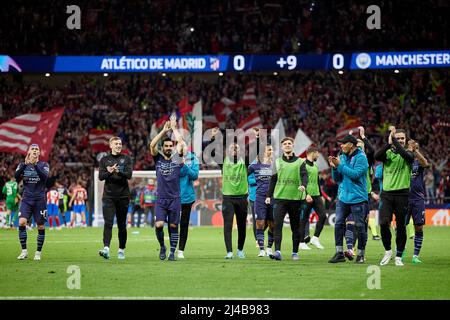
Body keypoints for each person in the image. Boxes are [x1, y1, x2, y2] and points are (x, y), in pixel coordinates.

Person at [210, 127, 259, 259]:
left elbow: (255, 151)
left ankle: (240, 250)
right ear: (227, 151)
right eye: (232, 148)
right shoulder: (223, 162)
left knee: (242, 225)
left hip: (242, 198)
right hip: (228, 198)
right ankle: (229, 252)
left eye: (237, 147)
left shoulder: (246, 162)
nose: (234, 149)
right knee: (228, 225)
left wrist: (258, 138)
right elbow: (213, 152)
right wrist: (214, 138)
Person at [375, 126, 414, 267]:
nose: (401, 141)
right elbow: (376, 156)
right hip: (387, 194)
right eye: (398, 138)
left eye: (402, 138)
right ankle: (388, 251)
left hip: (402, 194)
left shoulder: (410, 154)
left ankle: (399, 256)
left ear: (406, 140)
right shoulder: (388, 154)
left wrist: (393, 138)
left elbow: (406, 155)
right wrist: (389, 143)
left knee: (401, 226)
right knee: (384, 223)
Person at [150, 115, 186, 261]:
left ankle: (172, 252)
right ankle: (163, 247)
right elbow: (152, 145)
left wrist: (174, 129)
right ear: (163, 148)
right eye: (166, 146)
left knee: (173, 226)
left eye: (171, 146)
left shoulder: (177, 159)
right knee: (159, 225)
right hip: (161, 199)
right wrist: (164, 132)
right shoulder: (157, 159)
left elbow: (182, 144)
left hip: (175, 199)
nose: (169, 148)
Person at [266, 137, 308, 261]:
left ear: (293, 146)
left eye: (289, 143)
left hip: (295, 199)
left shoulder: (300, 162)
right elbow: (273, 180)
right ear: (282, 147)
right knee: (277, 225)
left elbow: (305, 176)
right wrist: (268, 195)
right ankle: (277, 251)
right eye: (285, 144)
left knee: (295, 227)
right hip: (280, 199)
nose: (287, 145)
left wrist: (303, 186)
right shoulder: (277, 162)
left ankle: (295, 253)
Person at [328, 135, 369, 264]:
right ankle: (339, 253)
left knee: (360, 226)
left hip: (358, 198)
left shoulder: (362, 157)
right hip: (343, 197)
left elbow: (355, 175)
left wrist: (339, 166)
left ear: (351, 145)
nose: (341, 146)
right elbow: (338, 179)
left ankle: (361, 255)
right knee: (339, 223)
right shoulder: (342, 156)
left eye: (343, 143)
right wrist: (334, 168)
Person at [98, 136, 133, 260]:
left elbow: (129, 175)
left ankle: (121, 249)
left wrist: (118, 172)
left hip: (123, 196)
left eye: (120, 143)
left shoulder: (126, 159)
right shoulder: (104, 160)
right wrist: (110, 171)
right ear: (111, 146)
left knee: (121, 224)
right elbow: (101, 177)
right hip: (109, 196)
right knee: (108, 223)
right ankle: (106, 248)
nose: (119, 145)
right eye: (116, 143)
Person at [14, 144, 49, 261]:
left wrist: (34, 165)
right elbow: (16, 176)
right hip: (27, 199)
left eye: (36, 149)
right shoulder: (22, 164)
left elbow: (44, 178)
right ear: (28, 152)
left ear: (39, 153)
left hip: (40, 200)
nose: (34, 151)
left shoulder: (44, 165)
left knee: (40, 225)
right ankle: (24, 251)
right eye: (32, 149)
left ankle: (38, 252)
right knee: (22, 222)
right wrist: (25, 164)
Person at [248, 141, 275, 258]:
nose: (271, 151)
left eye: (272, 149)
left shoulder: (276, 165)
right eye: (269, 149)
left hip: (274, 197)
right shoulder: (253, 166)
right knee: (260, 223)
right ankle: (261, 249)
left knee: (273, 224)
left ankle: (269, 248)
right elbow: (245, 177)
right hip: (259, 197)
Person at [299, 146, 326, 250]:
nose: (318, 155)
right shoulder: (303, 165)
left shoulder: (315, 165)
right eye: (317, 153)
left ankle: (315, 238)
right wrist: (306, 194)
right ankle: (301, 242)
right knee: (304, 219)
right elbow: (301, 180)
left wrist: (320, 195)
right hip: (306, 196)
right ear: (312, 153)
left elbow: (317, 181)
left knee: (323, 216)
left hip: (316, 195)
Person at [406, 140, 429, 264]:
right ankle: (401, 251)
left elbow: (425, 163)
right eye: (413, 147)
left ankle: (415, 255)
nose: (415, 149)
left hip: (417, 199)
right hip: (403, 198)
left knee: (418, 227)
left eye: (417, 147)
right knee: (400, 227)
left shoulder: (418, 163)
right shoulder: (403, 161)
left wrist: (415, 151)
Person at [178, 151, 200, 259]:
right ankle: (172, 248)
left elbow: (195, 176)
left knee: (184, 224)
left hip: (187, 197)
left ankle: (181, 250)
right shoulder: (172, 157)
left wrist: (184, 166)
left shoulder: (193, 159)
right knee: (172, 224)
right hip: (173, 196)